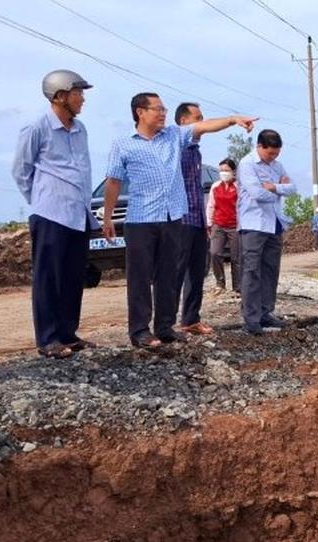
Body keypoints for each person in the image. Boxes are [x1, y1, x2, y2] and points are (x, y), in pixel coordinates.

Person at [103, 92, 254, 349]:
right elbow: (114, 181)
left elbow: (203, 127)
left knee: (168, 275)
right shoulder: (123, 144)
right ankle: (139, 330)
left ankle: (165, 327)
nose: (163, 113)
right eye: (157, 109)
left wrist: (232, 120)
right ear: (140, 112)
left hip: (172, 218)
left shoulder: (173, 135)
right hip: (140, 219)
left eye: (164, 109)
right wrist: (107, 216)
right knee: (140, 278)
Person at [11, 69, 96, 360]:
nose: (82, 99)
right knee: (48, 278)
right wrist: (39, 200)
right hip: (50, 213)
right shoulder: (37, 127)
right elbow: (20, 170)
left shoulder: (80, 129)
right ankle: (48, 338)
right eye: (77, 93)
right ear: (60, 96)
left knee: (73, 276)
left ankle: (68, 333)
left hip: (77, 213)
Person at [237, 129, 296, 336]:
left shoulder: (277, 166)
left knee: (271, 270)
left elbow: (292, 188)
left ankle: (265, 312)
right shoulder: (247, 164)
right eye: (270, 153)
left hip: (274, 223)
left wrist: (274, 188)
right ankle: (251, 318)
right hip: (254, 223)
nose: (273, 157)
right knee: (252, 271)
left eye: (276, 154)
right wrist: (279, 189)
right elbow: (256, 193)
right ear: (259, 146)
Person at [171, 102, 213, 336]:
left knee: (198, 271)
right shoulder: (175, 146)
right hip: (181, 219)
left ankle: (190, 319)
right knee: (175, 272)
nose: (202, 122)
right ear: (184, 121)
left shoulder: (195, 151)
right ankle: (165, 323)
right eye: (198, 118)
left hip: (197, 218)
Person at [206, 158, 242, 295]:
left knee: (236, 257)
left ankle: (238, 286)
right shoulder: (215, 186)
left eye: (226, 170)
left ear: (233, 171)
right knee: (214, 253)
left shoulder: (239, 187)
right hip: (218, 224)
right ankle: (220, 283)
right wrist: (209, 223)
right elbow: (211, 205)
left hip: (235, 225)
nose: (223, 173)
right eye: (221, 170)